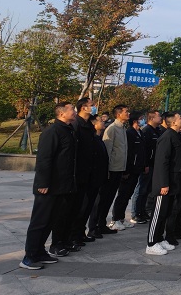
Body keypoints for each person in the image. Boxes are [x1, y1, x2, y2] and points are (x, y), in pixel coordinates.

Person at [19, 102, 77, 270]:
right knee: (40, 221)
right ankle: (29, 256)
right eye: (71, 109)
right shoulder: (52, 131)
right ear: (62, 113)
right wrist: (43, 183)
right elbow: (44, 159)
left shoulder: (68, 130)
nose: (74, 111)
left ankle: (39, 252)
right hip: (48, 186)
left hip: (61, 185)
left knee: (51, 220)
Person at [146, 113, 181, 255]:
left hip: (174, 181)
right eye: (179, 118)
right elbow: (162, 162)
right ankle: (151, 243)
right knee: (158, 213)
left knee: (166, 212)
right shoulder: (167, 137)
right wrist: (163, 183)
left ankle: (159, 239)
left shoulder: (176, 135)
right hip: (164, 183)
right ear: (173, 122)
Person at [89, 105, 129, 236]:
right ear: (118, 114)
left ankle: (102, 224)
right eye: (126, 112)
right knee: (102, 199)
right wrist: (107, 170)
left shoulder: (122, 128)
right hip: (111, 170)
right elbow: (107, 151)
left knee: (109, 198)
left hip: (119, 169)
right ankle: (94, 226)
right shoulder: (112, 128)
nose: (128, 114)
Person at [68, 97, 96, 249]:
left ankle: (80, 233)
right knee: (77, 207)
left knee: (86, 205)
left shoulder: (88, 125)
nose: (94, 107)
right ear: (84, 107)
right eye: (92, 105)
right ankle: (72, 236)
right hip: (78, 172)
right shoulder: (76, 124)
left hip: (89, 171)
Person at [110, 112, 145, 230]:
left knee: (127, 195)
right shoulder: (129, 133)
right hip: (128, 170)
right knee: (122, 195)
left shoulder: (139, 132)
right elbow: (128, 153)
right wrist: (126, 170)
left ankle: (121, 218)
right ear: (135, 121)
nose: (143, 120)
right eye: (141, 118)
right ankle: (115, 219)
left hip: (136, 169)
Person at [133, 110, 161, 223]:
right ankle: (136, 213)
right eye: (158, 116)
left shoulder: (157, 130)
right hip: (147, 165)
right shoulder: (147, 131)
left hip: (154, 165)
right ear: (152, 118)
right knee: (141, 189)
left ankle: (143, 211)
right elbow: (144, 150)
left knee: (147, 189)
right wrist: (145, 164)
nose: (160, 118)